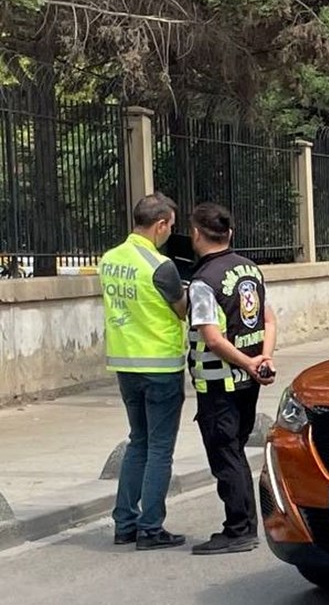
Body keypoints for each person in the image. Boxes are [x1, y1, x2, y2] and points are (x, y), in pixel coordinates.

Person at [185, 202, 278, 556]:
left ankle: (238, 529)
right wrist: (262, 359)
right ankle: (243, 525)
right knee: (236, 451)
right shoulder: (249, 269)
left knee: (226, 454)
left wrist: (250, 363)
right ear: (230, 234)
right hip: (248, 381)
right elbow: (269, 320)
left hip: (219, 382)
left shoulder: (203, 282)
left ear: (196, 234)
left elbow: (212, 338)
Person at [100, 192, 189, 550]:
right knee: (160, 448)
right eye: (170, 227)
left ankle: (125, 524)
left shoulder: (109, 260)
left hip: (125, 364)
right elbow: (181, 310)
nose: (170, 233)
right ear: (161, 224)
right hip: (161, 367)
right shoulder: (160, 266)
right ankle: (151, 527)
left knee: (138, 440)